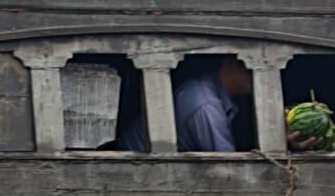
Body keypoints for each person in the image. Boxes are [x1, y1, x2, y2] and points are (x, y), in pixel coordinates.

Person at [118, 54, 315, 152]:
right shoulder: (206, 105)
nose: (255, 74)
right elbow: (229, 167)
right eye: (247, 67)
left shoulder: (206, 90)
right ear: (228, 62)